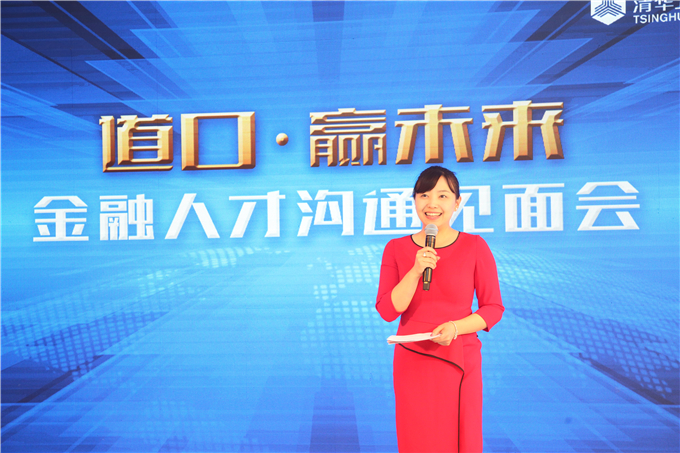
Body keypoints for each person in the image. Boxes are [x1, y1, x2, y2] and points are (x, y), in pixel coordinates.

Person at [376, 166, 504, 453]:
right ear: (414, 200)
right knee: (417, 438)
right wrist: (415, 270)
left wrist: (456, 328)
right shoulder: (396, 248)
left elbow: (493, 308)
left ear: (457, 202)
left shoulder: (475, 246)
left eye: (443, 196)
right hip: (412, 358)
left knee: (461, 437)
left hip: (459, 355)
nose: (432, 203)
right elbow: (388, 310)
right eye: (424, 195)